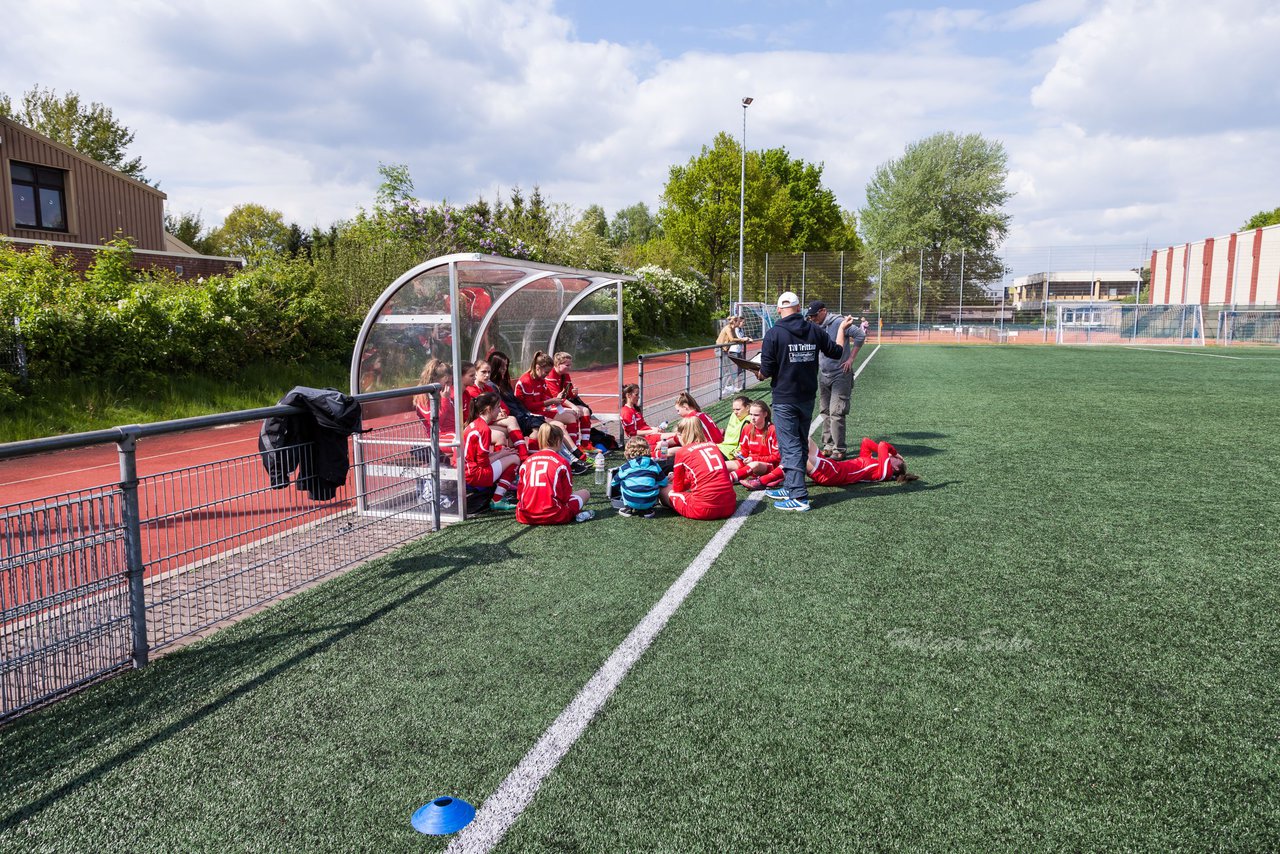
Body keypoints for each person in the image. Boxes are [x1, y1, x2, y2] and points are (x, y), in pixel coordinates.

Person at [756, 291, 854, 512]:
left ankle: (799, 496)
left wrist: (760, 374)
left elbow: (766, 371)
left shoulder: (773, 334)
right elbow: (837, 352)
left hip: (785, 397)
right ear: (799, 308)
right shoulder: (814, 330)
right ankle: (791, 486)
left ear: (779, 309)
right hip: (807, 396)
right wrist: (841, 330)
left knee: (789, 445)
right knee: (799, 442)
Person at [805, 301, 866, 460]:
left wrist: (851, 358)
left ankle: (839, 448)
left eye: (814, 315)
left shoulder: (839, 322)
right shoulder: (814, 325)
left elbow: (860, 335)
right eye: (810, 316)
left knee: (836, 412)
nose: (812, 319)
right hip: (823, 374)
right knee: (824, 411)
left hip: (841, 374)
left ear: (823, 311)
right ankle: (828, 445)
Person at [658, 417, 737, 521]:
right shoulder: (713, 446)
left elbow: (678, 488)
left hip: (703, 510)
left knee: (663, 489)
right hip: (730, 506)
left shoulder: (682, 452)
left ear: (682, 434)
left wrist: (674, 479)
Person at [515, 421, 595, 524]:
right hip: (555, 515)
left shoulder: (526, 462)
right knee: (585, 493)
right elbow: (565, 496)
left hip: (525, 516)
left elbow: (520, 494)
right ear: (558, 441)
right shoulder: (562, 462)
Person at [462, 392, 520, 512]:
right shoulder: (484, 429)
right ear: (489, 409)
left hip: (467, 471)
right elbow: (482, 463)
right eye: (498, 407)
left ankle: (498, 492)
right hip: (475, 475)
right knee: (515, 458)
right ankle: (497, 499)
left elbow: (479, 457)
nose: (500, 410)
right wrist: (501, 454)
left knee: (510, 454)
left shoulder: (473, 423)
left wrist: (501, 453)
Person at [806, 437, 918, 486]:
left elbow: (883, 445)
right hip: (833, 468)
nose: (891, 457)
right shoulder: (874, 463)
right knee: (803, 437)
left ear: (896, 468)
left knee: (797, 454)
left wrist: (894, 453)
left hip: (834, 473)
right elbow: (866, 442)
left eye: (895, 460)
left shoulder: (885, 473)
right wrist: (889, 454)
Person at [727, 400, 783, 491]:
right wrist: (740, 454)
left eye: (756, 415)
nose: (752, 418)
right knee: (724, 465)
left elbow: (776, 458)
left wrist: (754, 459)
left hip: (767, 466)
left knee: (754, 464)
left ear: (765, 414)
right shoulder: (747, 428)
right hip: (748, 462)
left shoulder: (773, 430)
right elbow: (744, 450)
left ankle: (726, 481)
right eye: (751, 414)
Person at [546, 352, 593, 451]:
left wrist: (573, 393)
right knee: (573, 413)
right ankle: (573, 448)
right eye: (567, 365)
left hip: (560, 405)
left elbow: (569, 395)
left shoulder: (565, 375)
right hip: (550, 405)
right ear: (558, 365)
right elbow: (557, 398)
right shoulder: (550, 375)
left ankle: (585, 444)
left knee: (585, 411)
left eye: (570, 365)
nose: (570, 367)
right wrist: (573, 406)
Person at [650, 391, 723, 454]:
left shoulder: (690, 419)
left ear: (685, 407)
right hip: (719, 447)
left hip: (707, 450)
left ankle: (657, 455)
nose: (678, 413)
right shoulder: (703, 414)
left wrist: (663, 445)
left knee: (672, 451)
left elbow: (679, 441)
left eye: (678, 410)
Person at [613, 436, 668, 518]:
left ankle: (627, 509)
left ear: (628, 451)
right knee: (655, 481)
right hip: (649, 501)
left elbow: (614, 482)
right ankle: (647, 510)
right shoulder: (654, 465)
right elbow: (664, 482)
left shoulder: (626, 466)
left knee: (622, 482)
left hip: (630, 500)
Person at [716, 316, 751, 392]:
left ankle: (725, 387)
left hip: (725, 350)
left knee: (729, 369)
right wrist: (743, 339)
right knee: (727, 370)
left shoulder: (733, 329)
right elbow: (732, 339)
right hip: (720, 349)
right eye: (739, 321)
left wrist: (745, 340)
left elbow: (736, 338)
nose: (740, 323)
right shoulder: (728, 328)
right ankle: (722, 388)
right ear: (735, 322)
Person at [717, 394, 752, 459]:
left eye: (738, 409)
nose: (735, 412)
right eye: (733, 409)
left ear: (747, 408)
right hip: (722, 446)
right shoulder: (733, 415)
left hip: (732, 452)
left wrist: (737, 453)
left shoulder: (749, 420)